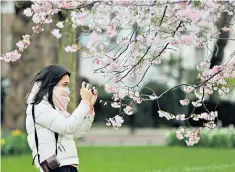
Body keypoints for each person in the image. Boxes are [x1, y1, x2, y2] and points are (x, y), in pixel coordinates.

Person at [25, 65, 98, 172]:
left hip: (66, 164)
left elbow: (77, 132)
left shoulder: (55, 108)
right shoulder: (39, 107)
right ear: (51, 84)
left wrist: (89, 108)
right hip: (56, 166)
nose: (67, 89)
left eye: (68, 85)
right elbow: (67, 127)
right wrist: (84, 103)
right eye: (64, 85)